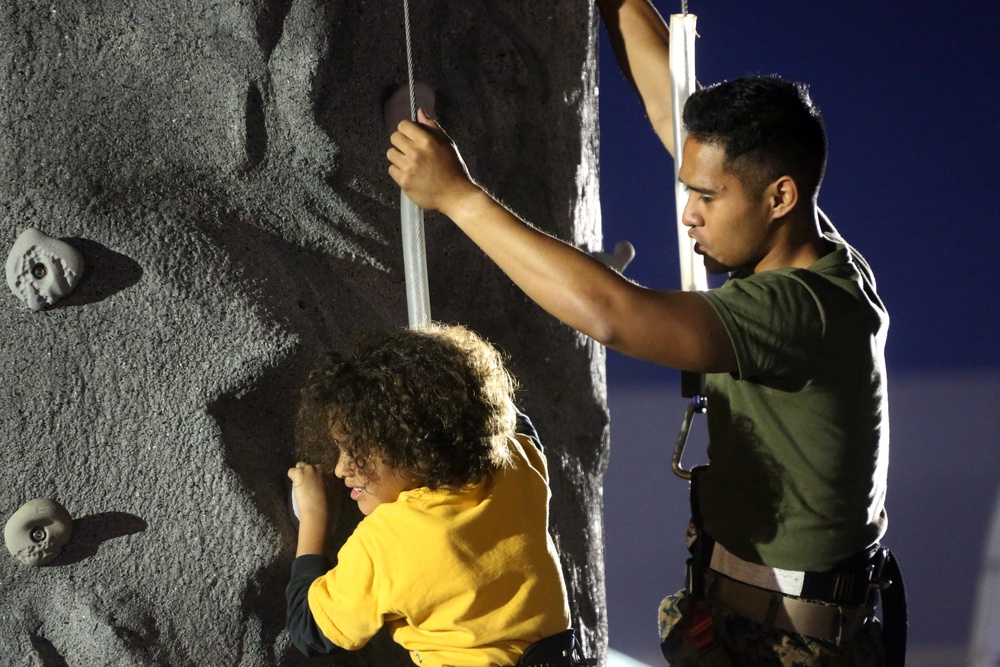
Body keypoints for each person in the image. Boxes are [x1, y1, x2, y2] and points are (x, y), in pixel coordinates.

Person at [385, 1, 902, 664]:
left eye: (707, 198)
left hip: (787, 646)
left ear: (779, 196)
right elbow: (674, 113)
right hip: (754, 619)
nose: (688, 214)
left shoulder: (800, 311)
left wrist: (457, 195)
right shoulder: (814, 248)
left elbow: (614, 315)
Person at [285, 323, 585, 667]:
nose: (340, 469)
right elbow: (516, 424)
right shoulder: (515, 465)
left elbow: (307, 627)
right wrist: (441, 377)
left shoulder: (390, 541)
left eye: (357, 453)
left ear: (416, 447)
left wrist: (314, 516)